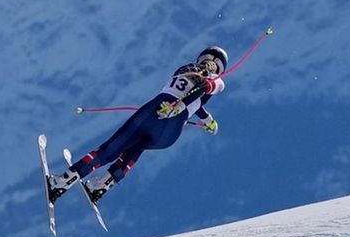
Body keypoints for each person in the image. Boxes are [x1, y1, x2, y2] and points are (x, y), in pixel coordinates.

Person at [48, 46, 228, 204]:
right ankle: (100, 186)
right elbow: (201, 93)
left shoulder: (186, 68)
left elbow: (199, 88)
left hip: (157, 110)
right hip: (170, 133)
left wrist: (179, 106)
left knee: (110, 149)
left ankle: (62, 182)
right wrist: (208, 121)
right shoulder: (218, 81)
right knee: (136, 149)